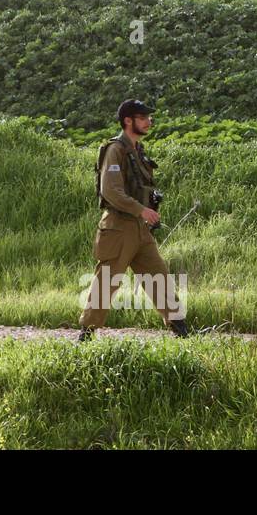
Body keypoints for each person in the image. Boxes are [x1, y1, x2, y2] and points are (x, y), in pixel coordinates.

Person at [78, 99, 189, 341]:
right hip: (117, 228)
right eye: (143, 117)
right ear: (128, 121)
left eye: (149, 117)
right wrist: (141, 210)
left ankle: (181, 330)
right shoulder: (115, 150)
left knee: (159, 276)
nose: (149, 121)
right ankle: (86, 335)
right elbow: (111, 191)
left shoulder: (137, 150)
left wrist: (148, 208)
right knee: (106, 283)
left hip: (140, 229)